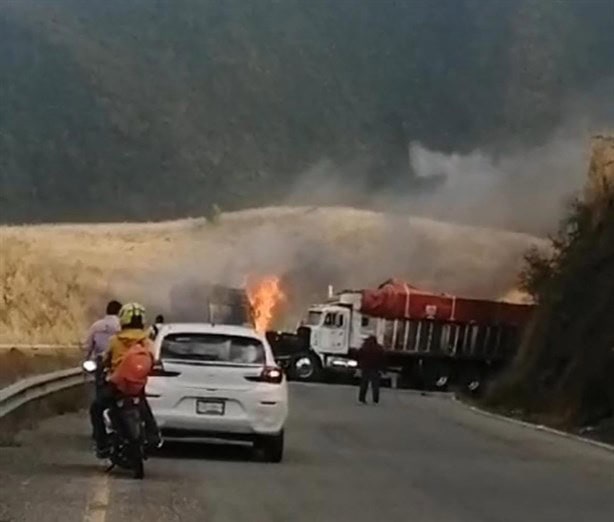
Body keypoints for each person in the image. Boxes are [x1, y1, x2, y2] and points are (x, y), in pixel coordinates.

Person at [90, 302, 161, 458]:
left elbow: (105, 359)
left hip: (117, 385)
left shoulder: (115, 341)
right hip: (137, 386)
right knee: (144, 408)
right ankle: (154, 436)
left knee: (96, 409)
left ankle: (102, 445)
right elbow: (153, 360)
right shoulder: (146, 341)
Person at [357, 335, 385, 405]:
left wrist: (359, 366)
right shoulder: (379, 348)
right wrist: (383, 369)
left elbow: (358, 356)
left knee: (364, 384)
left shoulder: (364, 347)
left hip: (365, 368)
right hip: (375, 369)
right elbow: (383, 359)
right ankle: (375, 400)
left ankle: (362, 399)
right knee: (375, 385)